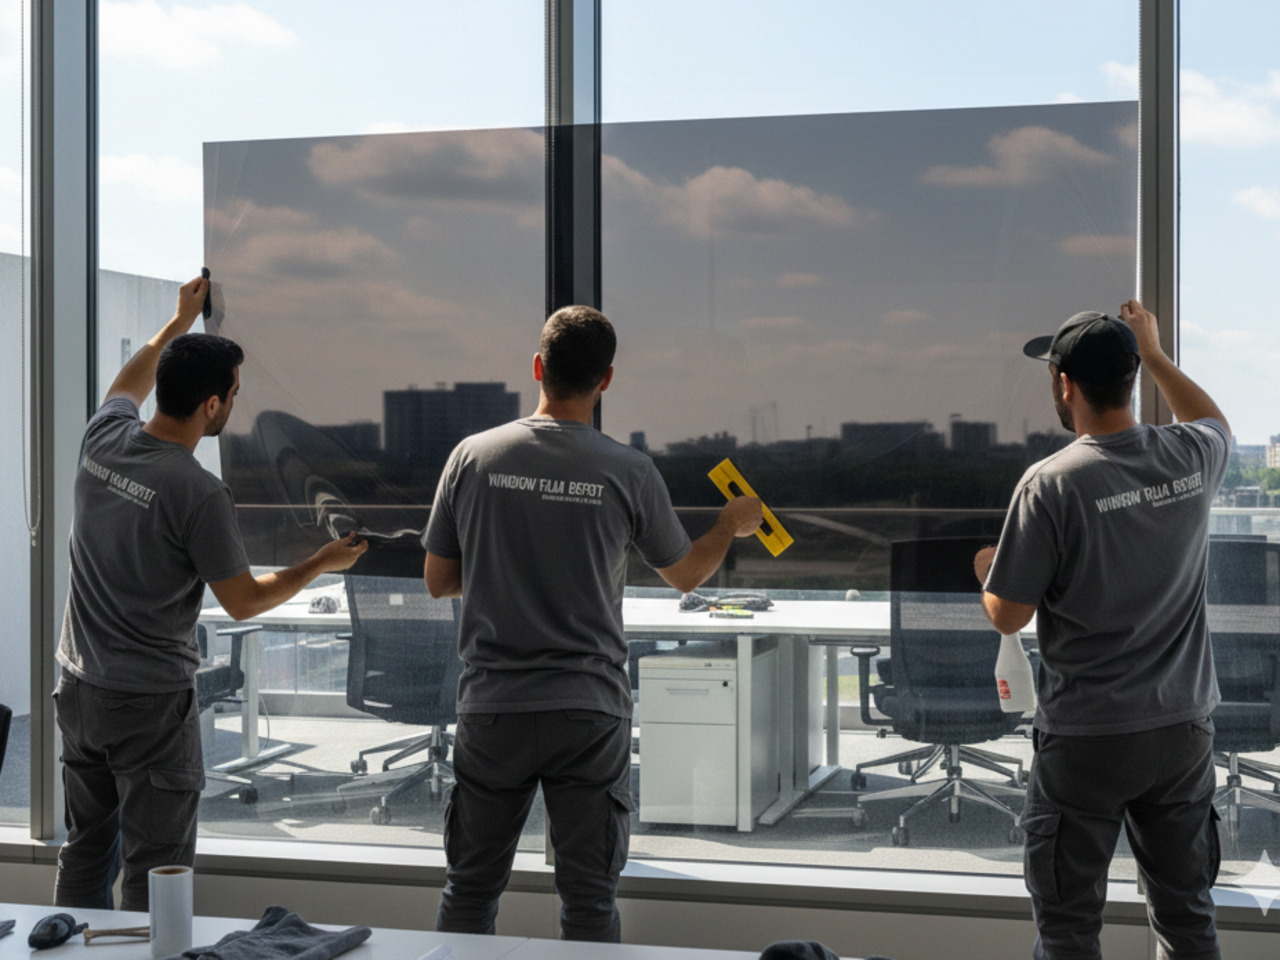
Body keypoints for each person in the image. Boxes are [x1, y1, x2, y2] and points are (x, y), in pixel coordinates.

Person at [423, 304, 763, 942]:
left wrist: (507, 561)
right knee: (588, 902)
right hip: (588, 710)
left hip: (493, 708)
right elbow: (686, 575)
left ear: (537, 367)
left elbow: (439, 580)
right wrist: (728, 525)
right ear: (605, 380)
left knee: (469, 891)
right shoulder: (627, 470)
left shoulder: (471, 457)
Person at [54, 275, 369, 911]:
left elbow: (127, 384)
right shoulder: (196, 492)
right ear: (212, 407)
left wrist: (177, 323)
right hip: (145, 704)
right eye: (232, 394)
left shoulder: (104, 438)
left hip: (78, 688)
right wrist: (322, 562)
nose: (233, 403)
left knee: (86, 850)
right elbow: (244, 601)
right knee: (155, 871)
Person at [974, 301, 1229, 960]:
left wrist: (989, 576)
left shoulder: (1051, 484)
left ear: (1064, 384)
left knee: (1068, 929)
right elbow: (1214, 421)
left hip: (1088, 739)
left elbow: (1009, 614)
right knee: (1186, 917)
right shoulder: (1189, 456)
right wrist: (1158, 354)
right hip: (1180, 732)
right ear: (1132, 377)